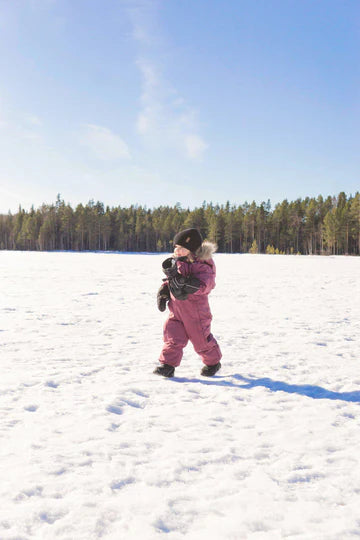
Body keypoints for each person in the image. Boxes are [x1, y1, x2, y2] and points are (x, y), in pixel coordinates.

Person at [154, 228, 222, 378]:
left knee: (201, 343)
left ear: (192, 250)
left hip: (196, 313)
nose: (177, 251)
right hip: (176, 311)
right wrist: (165, 291)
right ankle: (167, 365)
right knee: (172, 337)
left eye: (182, 248)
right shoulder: (176, 263)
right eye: (176, 248)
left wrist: (191, 285)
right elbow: (171, 281)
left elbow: (208, 283)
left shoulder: (203, 265)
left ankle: (213, 362)